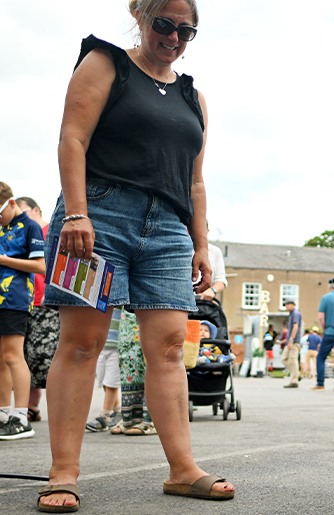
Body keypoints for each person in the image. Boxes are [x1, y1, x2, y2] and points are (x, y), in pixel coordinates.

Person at [38, 1, 235, 510]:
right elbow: (72, 138)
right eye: (164, 25)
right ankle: (63, 473)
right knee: (83, 342)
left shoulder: (194, 97)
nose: (174, 37)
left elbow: (195, 179)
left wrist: (199, 242)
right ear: (142, 19)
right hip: (99, 216)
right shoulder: (106, 63)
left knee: (169, 346)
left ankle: (183, 469)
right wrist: (77, 214)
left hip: (168, 227)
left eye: (186, 30)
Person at [0, 183, 46, 441]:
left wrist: (4, 260)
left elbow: (40, 266)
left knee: (13, 355)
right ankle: (4, 412)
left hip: (15, 298)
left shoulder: (30, 226)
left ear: (11, 203)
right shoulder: (2, 227)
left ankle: (21, 416)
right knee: (1, 358)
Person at [16, 197, 60, 425]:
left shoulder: (49, 229)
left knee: (43, 356)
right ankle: (27, 406)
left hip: (45, 301)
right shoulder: (18, 232)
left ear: (35, 210)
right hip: (24, 300)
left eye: (23, 211)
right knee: (22, 353)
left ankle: (34, 405)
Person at [85, 310, 122, 432]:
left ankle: (104, 415)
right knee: (103, 380)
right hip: (102, 345)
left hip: (117, 346)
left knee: (111, 382)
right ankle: (117, 410)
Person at [281, 300, 303, 388]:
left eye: (287, 305)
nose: (286, 307)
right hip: (289, 341)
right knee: (284, 359)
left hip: (294, 341)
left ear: (292, 305)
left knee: (292, 360)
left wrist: (291, 340)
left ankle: (294, 381)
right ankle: (296, 374)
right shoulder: (291, 314)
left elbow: (296, 326)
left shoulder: (296, 313)